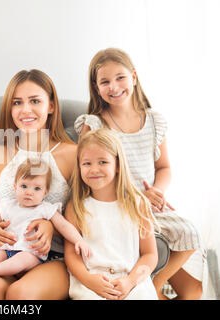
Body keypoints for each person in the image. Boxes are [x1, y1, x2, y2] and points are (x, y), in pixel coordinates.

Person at [74, 47, 205, 300]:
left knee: (192, 260)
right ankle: (152, 288)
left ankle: (155, 285)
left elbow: (164, 168)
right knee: (190, 287)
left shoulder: (154, 120)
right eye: (105, 81)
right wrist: (138, 197)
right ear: (96, 87)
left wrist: (156, 191)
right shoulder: (95, 123)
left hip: (151, 205)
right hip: (122, 206)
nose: (114, 87)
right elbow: (87, 172)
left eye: (120, 78)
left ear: (134, 77)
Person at [0, 69, 77, 299]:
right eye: (17, 103)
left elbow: (84, 216)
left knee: (21, 294)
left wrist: (51, 225)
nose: (26, 110)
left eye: (35, 101)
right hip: (5, 254)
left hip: (54, 258)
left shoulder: (72, 154)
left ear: (51, 106)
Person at [65, 128, 158, 300]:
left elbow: (150, 254)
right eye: (87, 163)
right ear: (79, 167)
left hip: (132, 282)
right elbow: (71, 254)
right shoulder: (76, 207)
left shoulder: (137, 204)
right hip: (91, 284)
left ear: (117, 165)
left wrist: (130, 281)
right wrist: (88, 280)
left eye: (102, 162)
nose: (94, 169)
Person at [0, 159, 91, 283]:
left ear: (45, 192)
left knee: (21, 260)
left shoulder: (46, 209)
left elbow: (64, 226)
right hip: (7, 247)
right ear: (15, 187)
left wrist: (78, 240)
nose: (29, 192)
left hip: (31, 253)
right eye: (24, 186)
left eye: (37, 189)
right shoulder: (9, 206)